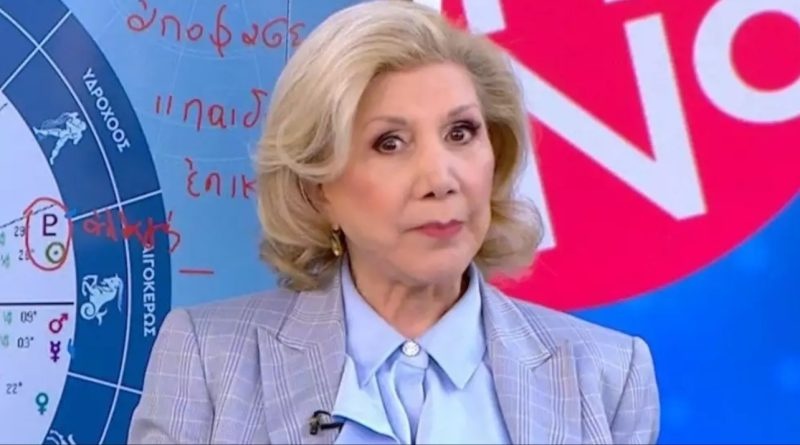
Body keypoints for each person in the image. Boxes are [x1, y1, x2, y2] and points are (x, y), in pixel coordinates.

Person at [128, 1, 660, 444]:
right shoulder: (208, 363)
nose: (440, 179)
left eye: (460, 133)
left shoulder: (606, 375)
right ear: (318, 188)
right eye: (390, 143)